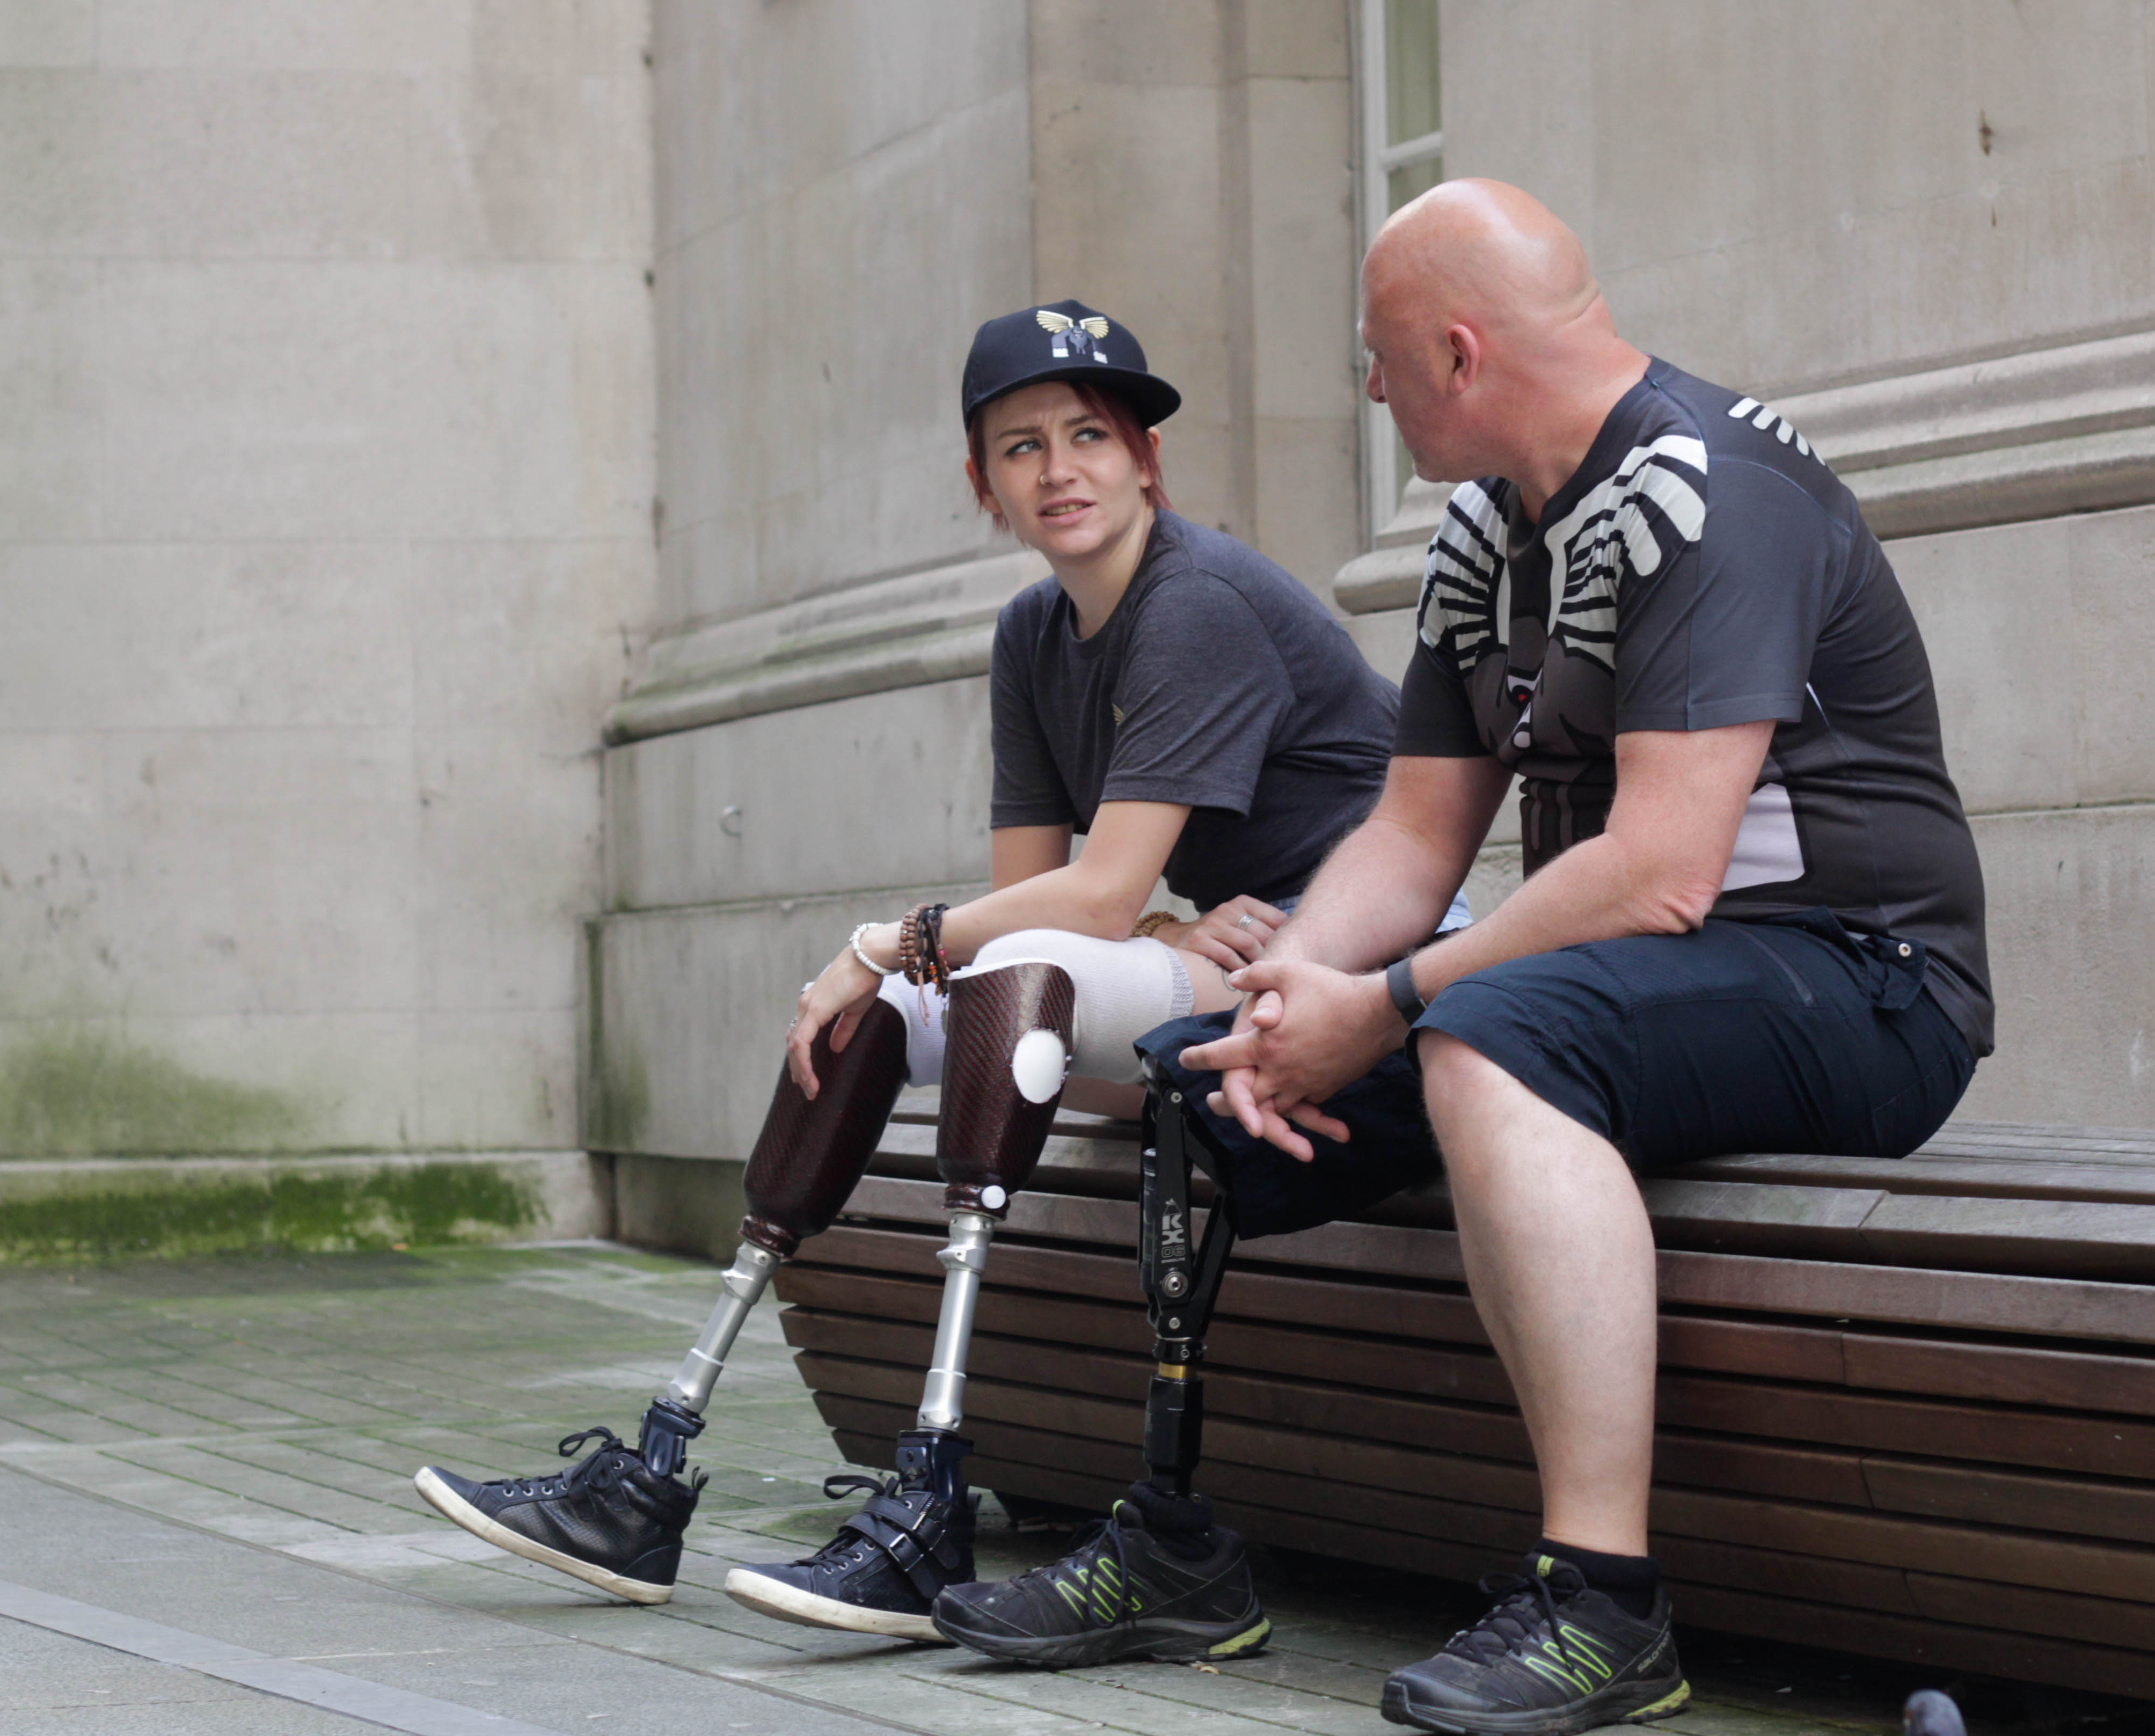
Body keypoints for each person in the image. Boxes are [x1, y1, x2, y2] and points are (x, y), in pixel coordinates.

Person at [926, 184, 1991, 1736]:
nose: (1366, 387)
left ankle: (1603, 1603)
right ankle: (1174, 1542)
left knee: (1486, 1040)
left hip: (1862, 979)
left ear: (1458, 352)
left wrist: (1398, 1000)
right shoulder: (1492, 528)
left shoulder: (1711, 489)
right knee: (1193, 1078)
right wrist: (1296, 983)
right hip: (1643, 984)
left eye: (1377, 356)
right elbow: (1416, 835)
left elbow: (1661, 868)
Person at [415, 300, 1453, 1647]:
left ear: (1147, 460)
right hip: (1217, 949)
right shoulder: (1034, 636)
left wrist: (889, 939)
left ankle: (930, 1498)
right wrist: (1115, 942)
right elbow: (1043, 892)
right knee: (885, 1012)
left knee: (955, 972)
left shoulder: (1195, 601)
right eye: (1020, 448)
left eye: (1091, 435)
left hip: (1352, 958)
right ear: (984, 487)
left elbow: (1073, 901)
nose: (1060, 468)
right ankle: (654, 1467)